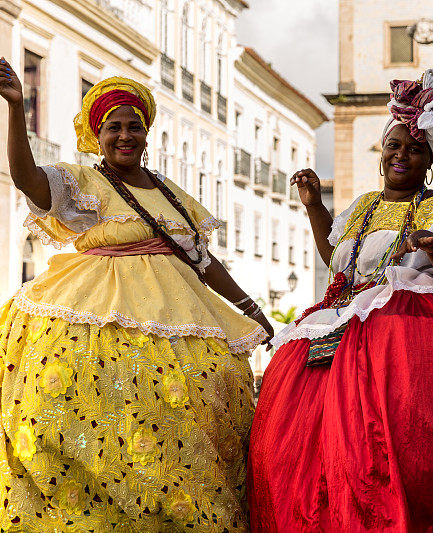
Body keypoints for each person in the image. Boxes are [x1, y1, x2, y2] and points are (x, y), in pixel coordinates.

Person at [0, 59, 273, 531]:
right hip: (91, 302)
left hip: (178, 306)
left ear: (146, 136)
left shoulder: (171, 194)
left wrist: (250, 309)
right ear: (96, 135)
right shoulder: (83, 182)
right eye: (113, 128)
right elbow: (27, 179)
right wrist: (16, 107)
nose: (124, 136)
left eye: (134, 127)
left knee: (198, 404)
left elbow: (203, 262)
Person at [247, 69, 433, 532]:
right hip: (336, 326)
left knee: (383, 445)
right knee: (298, 447)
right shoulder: (361, 207)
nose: (401, 155)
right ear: (381, 152)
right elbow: (340, 262)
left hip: (393, 342)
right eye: (394, 146)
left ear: (428, 159)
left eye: (414, 148)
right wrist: (315, 206)